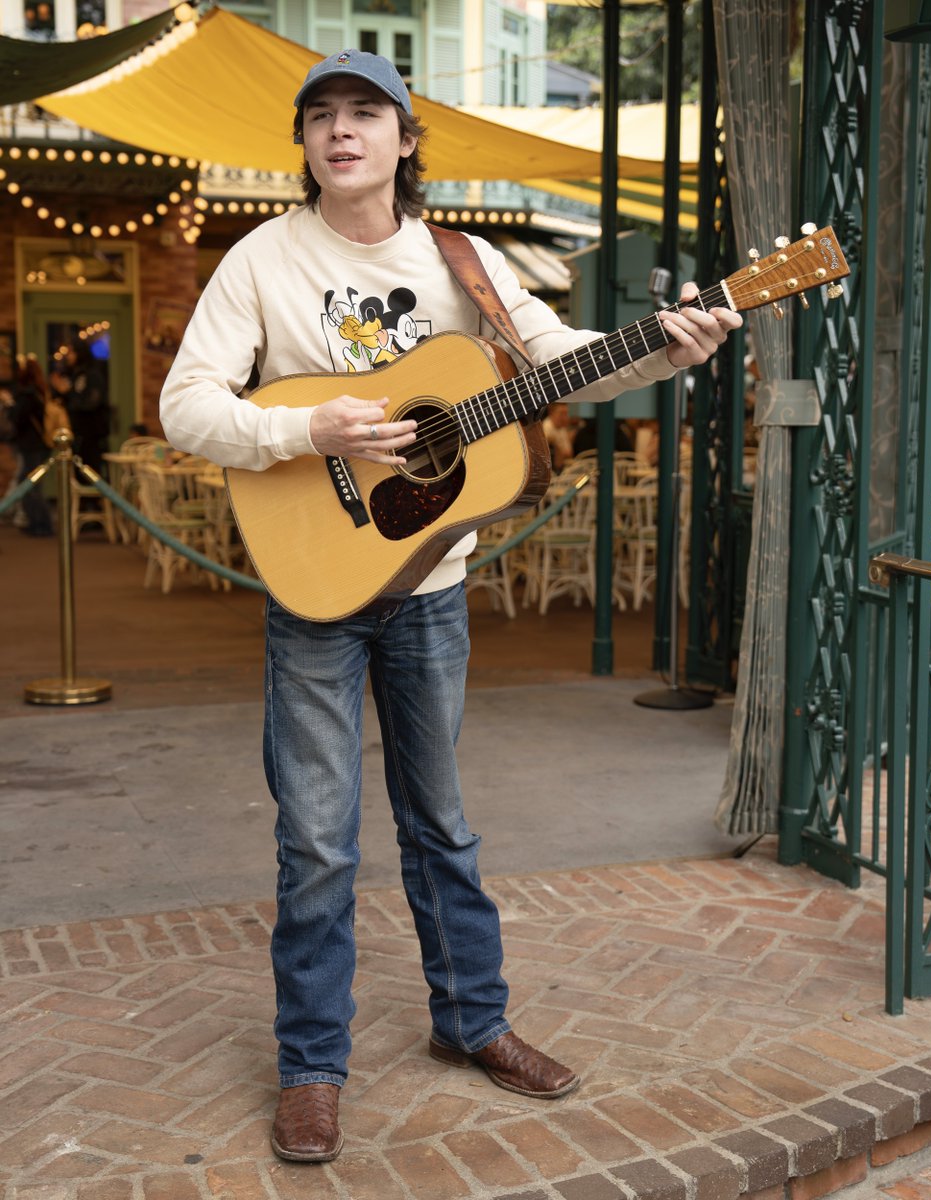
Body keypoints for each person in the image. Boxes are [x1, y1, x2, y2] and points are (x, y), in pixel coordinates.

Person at [159, 49, 742, 1164]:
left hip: (428, 589)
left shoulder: (461, 261)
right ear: (306, 143)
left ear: (406, 138)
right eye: (321, 116)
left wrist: (668, 350)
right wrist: (306, 431)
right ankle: (312, 1066)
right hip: (316, 590)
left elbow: (559, 360)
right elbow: (187, 405)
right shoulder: (261, 260)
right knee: (319, 844)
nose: (342, 133)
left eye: (365, 115)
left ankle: (473, 1023)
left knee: (444, 826)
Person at [9, 355, 54, 537]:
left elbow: (18, 418)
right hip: (35, 444)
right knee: (31, 484)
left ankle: (42, 523)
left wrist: (11, 405)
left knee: (29, 484)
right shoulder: (39, 391)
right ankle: (38, 522)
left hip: (32, 445)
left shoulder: (27, 394)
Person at [49, 341, 109, 475]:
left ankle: (91, 496)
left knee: (89, 472)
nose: (68, 356)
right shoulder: (73, 374)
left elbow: (90, 403)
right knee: (76, 473)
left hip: (91, 434)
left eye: (72, 352)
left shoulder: (92, 374)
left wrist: (67, 392)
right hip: (75, 433)